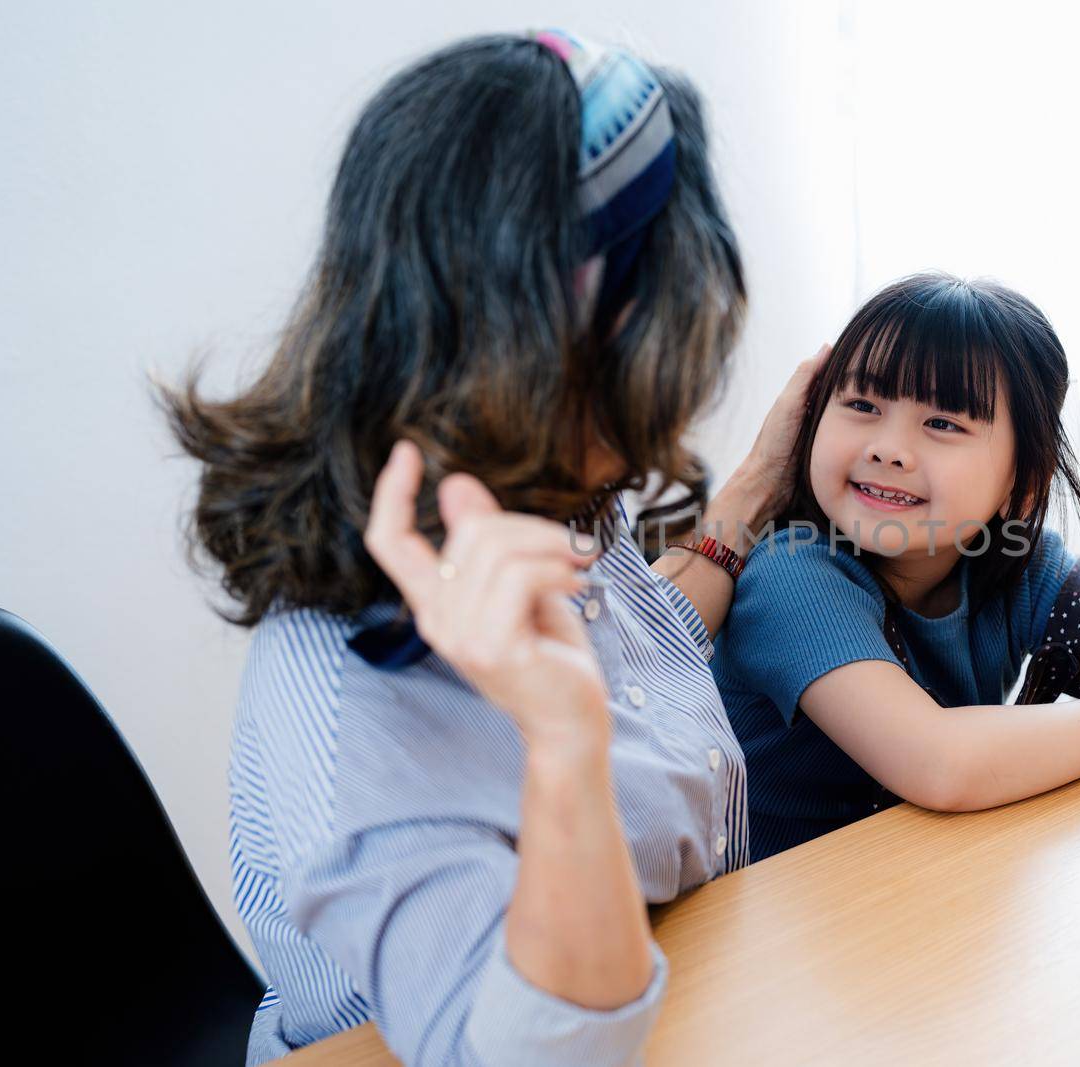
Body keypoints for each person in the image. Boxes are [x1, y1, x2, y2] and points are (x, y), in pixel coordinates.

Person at [162, 30, 821, 1065]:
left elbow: (634, 671)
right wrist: (565, 750)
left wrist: (750, 490)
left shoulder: (541, 503)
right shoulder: (351, 684)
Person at [712, 272, 1080, 860]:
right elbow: (938, 764)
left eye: (942, 423)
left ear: (1024, 483)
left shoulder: (1014, 561)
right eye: (861, 404)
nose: (887, 447)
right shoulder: (791, 578)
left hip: (922, 889)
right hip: (776, 921)